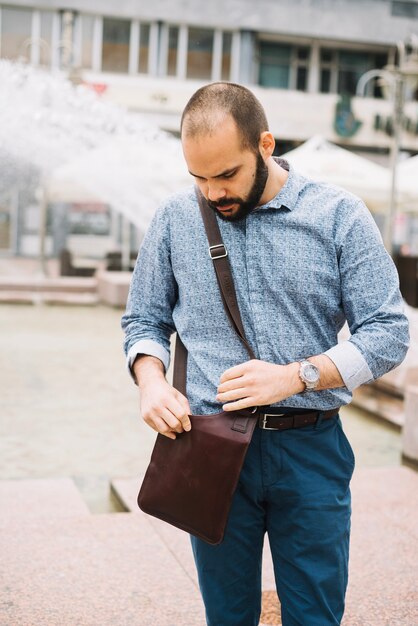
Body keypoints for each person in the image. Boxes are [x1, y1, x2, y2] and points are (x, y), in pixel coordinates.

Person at [121, 82, 409, 626]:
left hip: (311, 449)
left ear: (266, 144)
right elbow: (143, 321)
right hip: (210, 448)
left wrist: (298, 377)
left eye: (226, 174)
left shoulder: (339, 215)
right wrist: (150, 381)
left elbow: (389, 331)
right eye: (199, 177)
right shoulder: (174, 220)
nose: (212, 193)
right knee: (227, 618)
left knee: (315, 617)